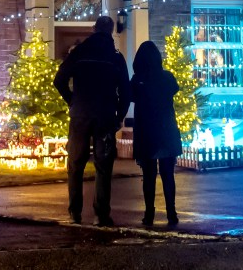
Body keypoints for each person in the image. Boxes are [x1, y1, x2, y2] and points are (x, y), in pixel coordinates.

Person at [53, 15, 131, 227]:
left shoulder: (79, 53)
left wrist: (72, 101)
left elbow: (59, 80)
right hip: (105, 115)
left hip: (80, 115)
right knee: (103, 166)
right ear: (111, 31)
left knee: (75, 164)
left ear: (94, 29)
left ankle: (75, 212)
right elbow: (125, 90)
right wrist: (119, 116)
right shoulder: (115, 57)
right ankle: (101, 214)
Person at [130, 40, 182, 227]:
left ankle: (149, 213)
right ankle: (171, 213)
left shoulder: (137, 80)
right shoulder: (167, 78)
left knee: (149, 175)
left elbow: (131, 97)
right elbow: (174, 90)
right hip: (166, 130)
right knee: (168, 174)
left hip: (146, 132)